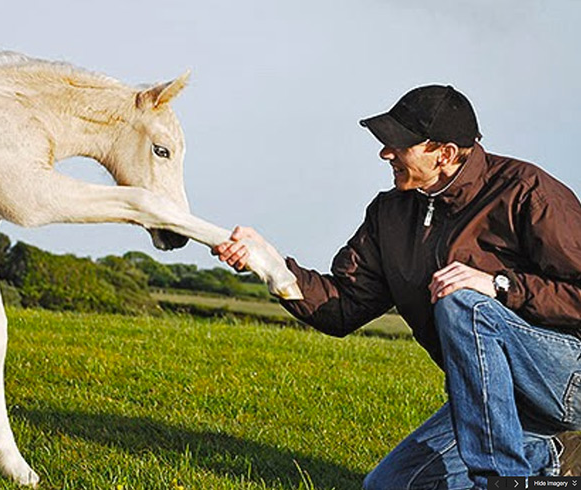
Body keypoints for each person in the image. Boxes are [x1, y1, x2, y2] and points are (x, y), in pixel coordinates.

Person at [213, 85, 581, 489]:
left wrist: (500, 285)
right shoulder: (389, 214)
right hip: (501, 407)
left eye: (399, 144)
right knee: (388, 485)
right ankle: (552, 457)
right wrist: (271, 266)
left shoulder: (525, 190)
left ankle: (502, 482)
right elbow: (343, 307)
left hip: (566, 379)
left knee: (463, 302)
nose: (385, 153)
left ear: (443, 153)